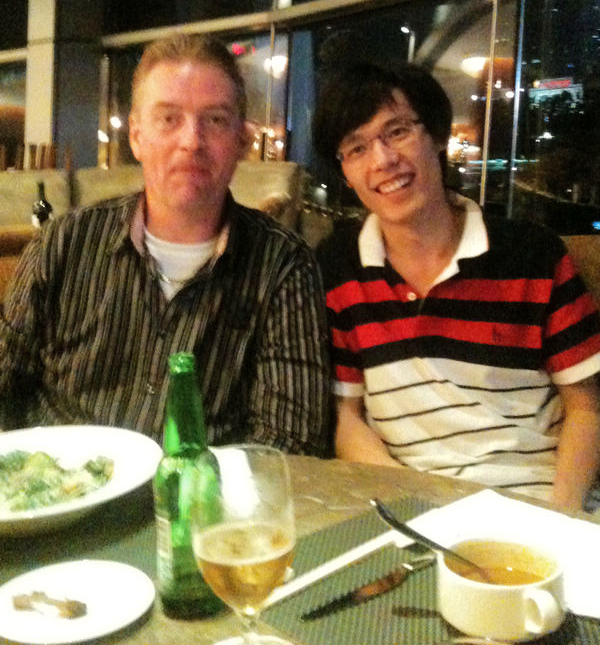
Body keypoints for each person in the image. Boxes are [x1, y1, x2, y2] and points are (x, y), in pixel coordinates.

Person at [0, 33, 332, 456]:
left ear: (241, 141)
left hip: (209, 495)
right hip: (60, 486)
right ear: (136, 137)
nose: (191, 140)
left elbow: (288, 444)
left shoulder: (284, 266)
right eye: (169, 118)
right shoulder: (64, 243)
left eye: (215, 120)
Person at [313, 60, 600, 510]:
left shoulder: (532, 255)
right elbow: (347, 419)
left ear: (437, 135)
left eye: (397, 132)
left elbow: (587, 406)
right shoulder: (339, 268)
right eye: (357, 148)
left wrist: (559, 517)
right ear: (345, 172)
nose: (383, 160)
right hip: (410, 509)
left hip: (534, 499)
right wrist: (415, 507)